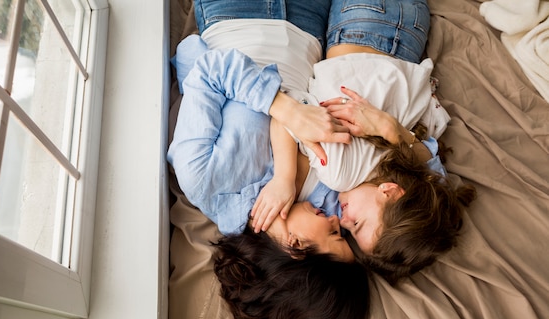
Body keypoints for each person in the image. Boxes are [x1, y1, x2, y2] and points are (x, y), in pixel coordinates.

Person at [181, 0, 476, 281]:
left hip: (240, 14)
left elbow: (194, 57)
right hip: (330, 25)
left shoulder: (206, 182)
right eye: (343, 232)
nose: (340, 224)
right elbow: (430, 190)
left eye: (337, 234)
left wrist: (287, 157)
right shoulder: (336, 200)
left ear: (294, 246)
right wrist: (391, 130)